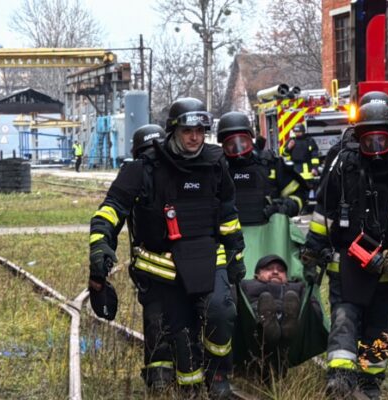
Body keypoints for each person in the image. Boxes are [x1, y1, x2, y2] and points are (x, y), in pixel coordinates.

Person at [88, 98, 245, 399]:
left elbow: (227, 215)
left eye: (200, 130)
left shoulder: (215, 165)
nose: (195, 137)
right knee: (183, 343)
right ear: (173, 131)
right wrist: (100, 247)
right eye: (188, 130)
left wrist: (236, 256)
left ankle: (219, 374)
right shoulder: (143, 169)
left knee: (221, 312)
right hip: (163, 269)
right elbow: (110, 211)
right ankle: (190, 390)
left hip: (208, 260)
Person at [301, 98, 388, 399]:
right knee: (344, 318)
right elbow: (322, 214)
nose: (375, 148)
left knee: (378, 325)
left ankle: (370, 382)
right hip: (345, 263)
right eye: (369, 140)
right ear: (358, 139)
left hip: (386, 266)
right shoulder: (343, 168)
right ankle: (339, 377)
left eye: (381, 139)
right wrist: (313, 255)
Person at [124, 124, 175, 391]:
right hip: (170, 262)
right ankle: (167, 375)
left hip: (153, 264)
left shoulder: (137, 175)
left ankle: (160, 377)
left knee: (156, 317)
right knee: (170, 317)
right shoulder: (170, 172)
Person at [216, 111, 306, 228]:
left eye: (242, 140)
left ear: (250, 139)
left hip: (268, 237)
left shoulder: (270, 164)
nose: (238, 146)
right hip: (229, 240)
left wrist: (285, 207)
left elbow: (298, 196)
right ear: (223, 145)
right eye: (231, 143)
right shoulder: (217, 170)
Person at [239, 255, 304, 380]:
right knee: (263, 302)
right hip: (256, 321)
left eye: (280, 270)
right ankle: (270, 325)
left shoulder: (297, 287)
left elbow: (312, 308)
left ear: (286, 277)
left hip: (289, 317)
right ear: (257, 275)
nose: (275, 272)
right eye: (269, 269)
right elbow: (234, 303)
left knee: (291, 301)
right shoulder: (246, 285)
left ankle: (283, 326)